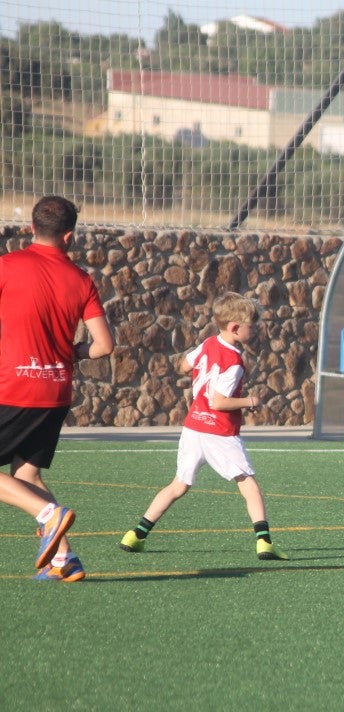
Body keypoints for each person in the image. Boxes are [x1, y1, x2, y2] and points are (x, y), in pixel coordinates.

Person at [118, 292, 288, 561]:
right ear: (235, 327)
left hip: (194, 427)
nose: (254, 330)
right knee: (248, 484)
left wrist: (204, 357)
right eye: (251, 325)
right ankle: (264, 543)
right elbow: (219, 401)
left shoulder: (209, 342)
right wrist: (249, 400)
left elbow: (184, 365)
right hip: (218, 431)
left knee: (178, 485)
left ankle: (135, 535)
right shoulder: (234, 362)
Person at [0, 195, 115, 581]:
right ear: (69, 236)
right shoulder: (82, 279)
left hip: (12, 388)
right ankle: (65, 559)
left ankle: (50, 515)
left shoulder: (7, 266)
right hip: (55, 393)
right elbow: (104, 346)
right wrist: (73, 351)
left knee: (32, 491)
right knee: (26, 476)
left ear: (31, 228)